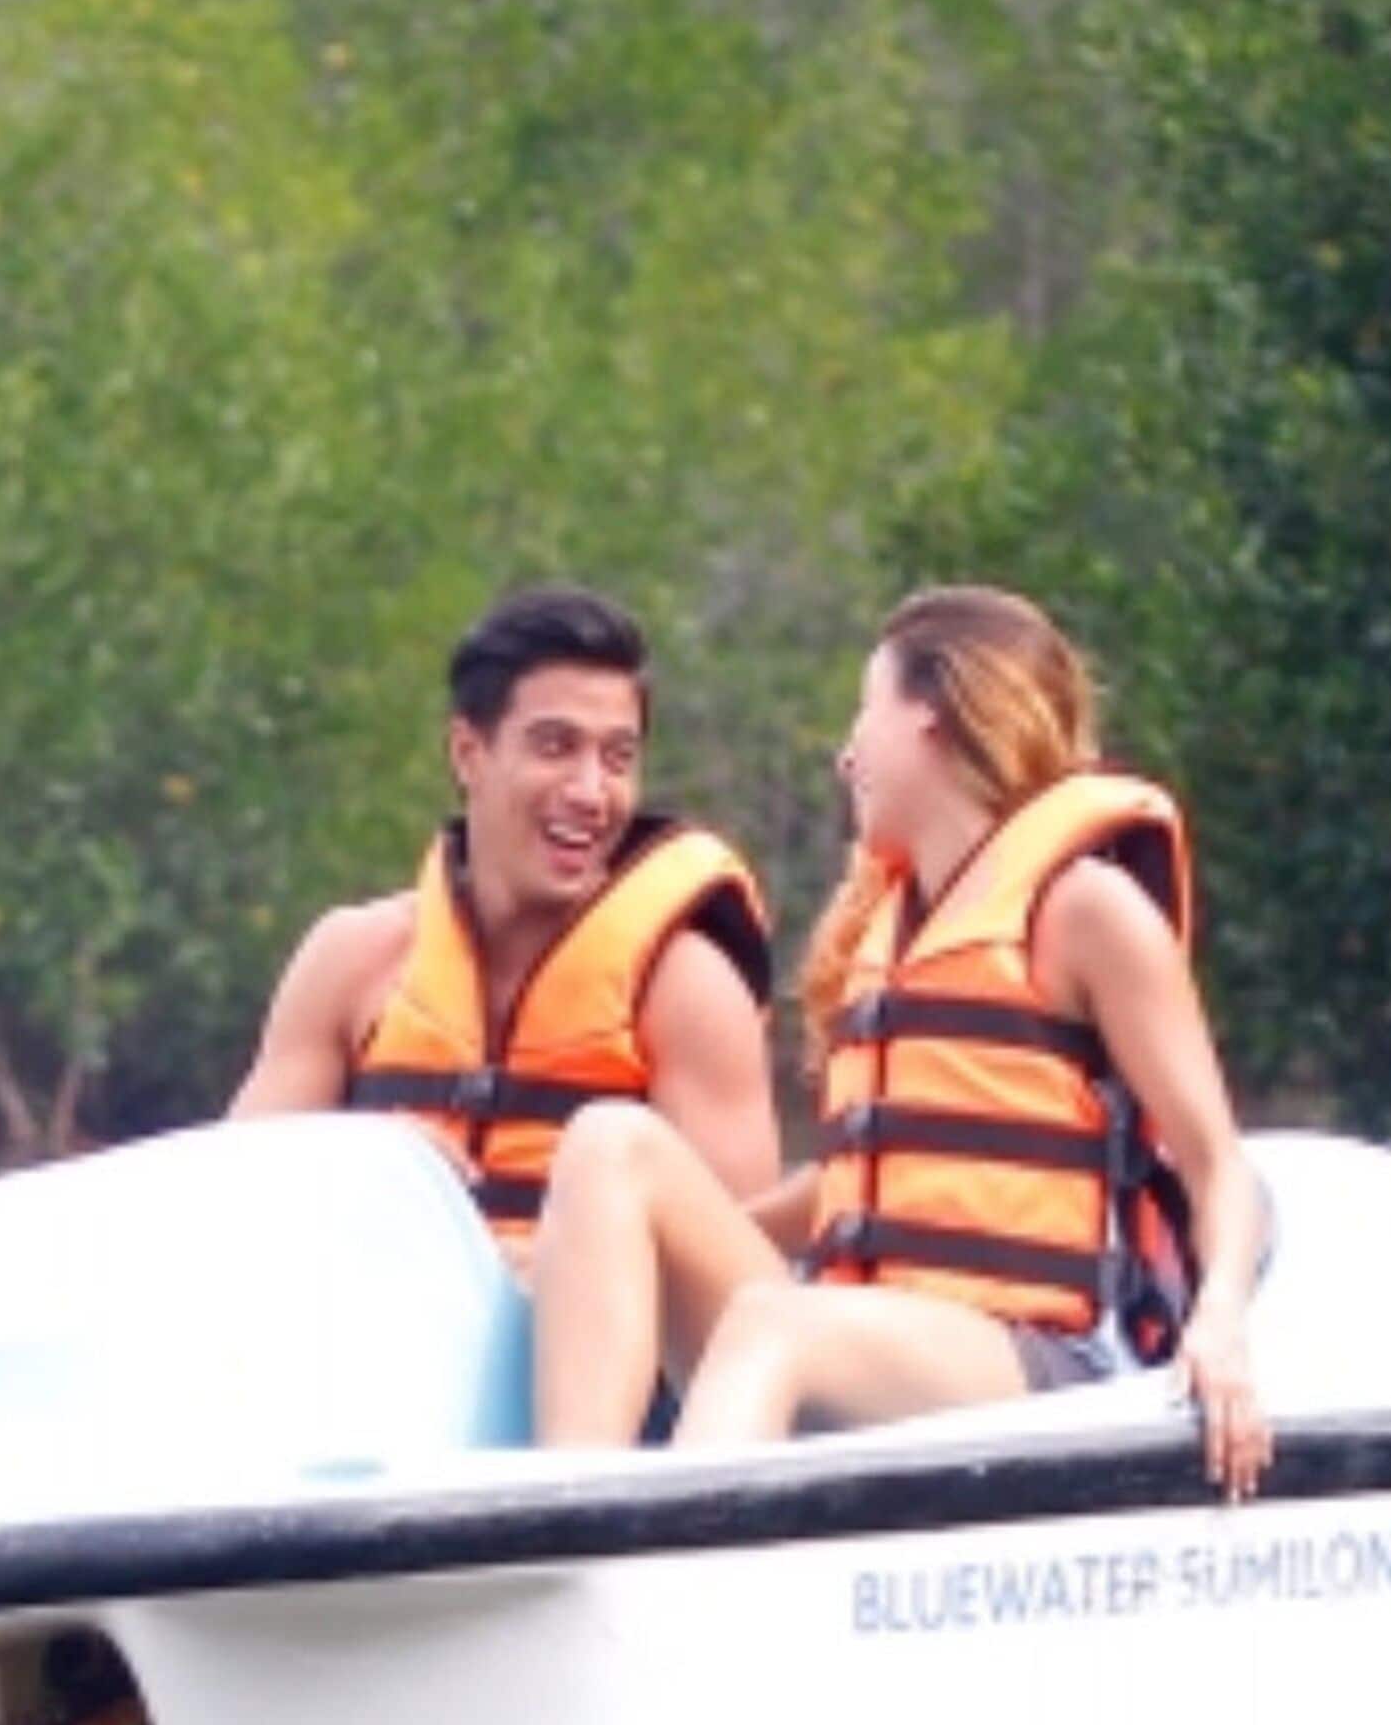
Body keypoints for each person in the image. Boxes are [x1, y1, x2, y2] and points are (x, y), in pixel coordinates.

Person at [532, 585, 1271, 1496]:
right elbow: (856, 1182)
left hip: (1034, 1357)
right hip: (867, 1333)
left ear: (934, 717)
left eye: (864, 712)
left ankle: (658, 1588)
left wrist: (1222, 1320)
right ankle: (572, 1516)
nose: (847, 755)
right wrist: (620, 1239)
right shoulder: (887, 925)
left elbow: (1216, 1163)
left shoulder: (1086, 910)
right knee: (612, 1142)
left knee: (776, 1323)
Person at [230, 585, 779, 1257]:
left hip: (587, 1358)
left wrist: (553, 1264)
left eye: (617, 758)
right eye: (555, 746)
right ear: (468, 753)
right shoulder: (354, 959)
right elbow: (232, 1207)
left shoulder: (688, 988)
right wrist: (368, 1159)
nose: (589, 792)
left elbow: (741, 1281)